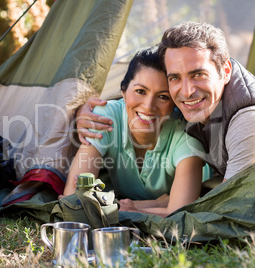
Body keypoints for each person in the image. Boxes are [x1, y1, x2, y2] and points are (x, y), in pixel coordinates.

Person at [76, 21, 255, 181]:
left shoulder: (247, 119)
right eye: (175, 78)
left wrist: (155, 206)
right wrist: (82, 110)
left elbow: (230, 205)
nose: (187, 92)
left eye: (198, 74)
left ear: (226, 71)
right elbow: (143, 100)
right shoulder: (197, 105)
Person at [63, 46, 210, 217]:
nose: (148, 106)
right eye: (140, 91)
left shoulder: (187, 134)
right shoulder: (105, 118)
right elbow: (74, 198)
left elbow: (179, 213)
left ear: (174, 102)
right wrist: (153, 204)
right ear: (123, 92)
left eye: (163, 96)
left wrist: (130, 208)